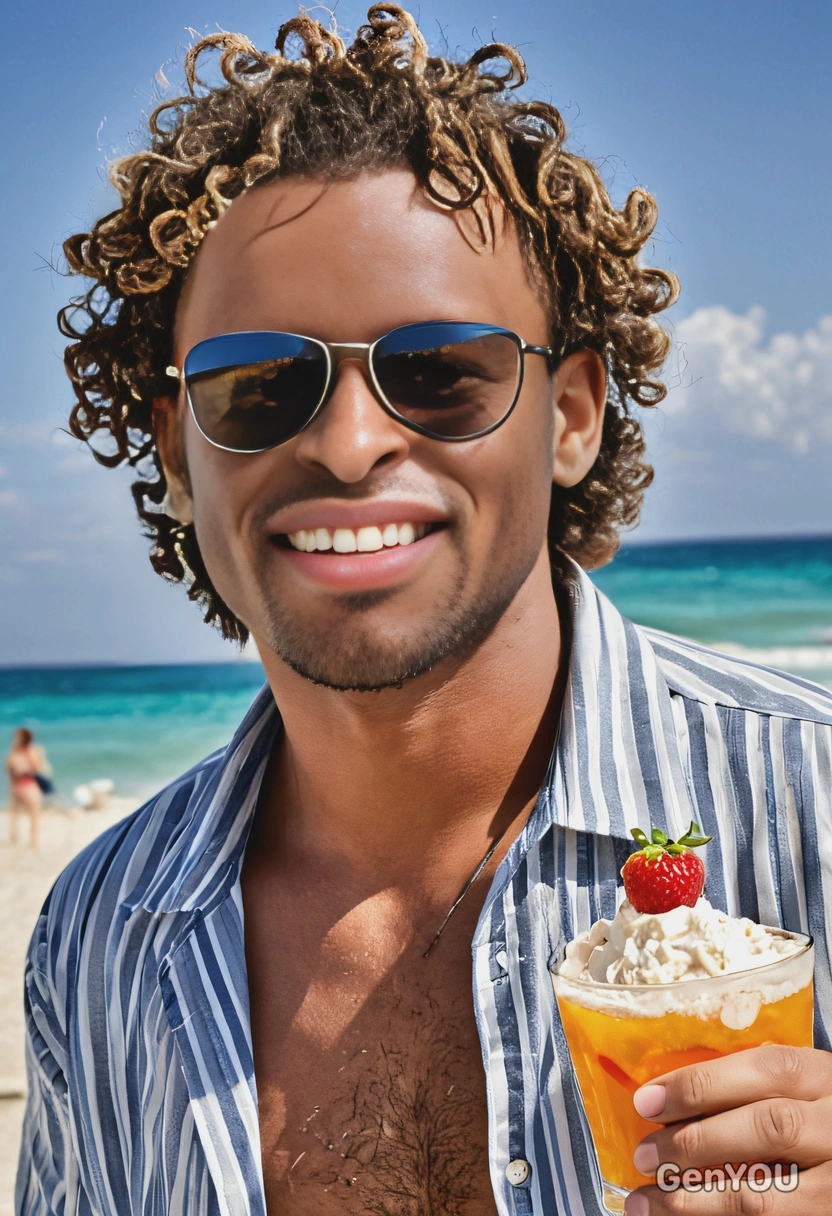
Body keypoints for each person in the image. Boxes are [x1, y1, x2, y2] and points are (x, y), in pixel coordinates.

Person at [17, 9, 832, 1216]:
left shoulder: (813, 801)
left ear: (568, 416)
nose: (348, 446)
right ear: (180, 454)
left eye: (442, 369)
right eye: (260, 384)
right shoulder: (97, 941)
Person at [5, 728, 50, 849]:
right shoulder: (31, 751)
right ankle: (33, 843)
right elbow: (36, 768)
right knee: (34, 816)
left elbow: (8, 769)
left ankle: (15, 839)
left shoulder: (14, 753)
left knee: (15, 815)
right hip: (28, 786)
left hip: (17, 787)